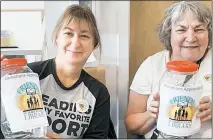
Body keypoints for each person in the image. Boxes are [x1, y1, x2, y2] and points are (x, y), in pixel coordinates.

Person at [1, 5, 112, 139]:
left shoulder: (99, 93)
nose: (75, 42)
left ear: (94, 44)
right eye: (68, 33)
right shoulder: (28, 74)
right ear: (57, 37)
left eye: (84, 36)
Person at [125, 1, 212, 139]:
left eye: (199, 29)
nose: (190, 38)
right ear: (169, 34)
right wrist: (152, 114)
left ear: (209, 33)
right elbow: (130, 125)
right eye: (181, 30)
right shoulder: (152, 65)